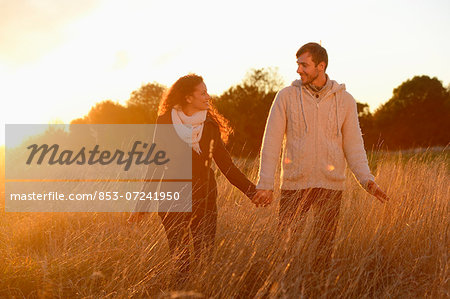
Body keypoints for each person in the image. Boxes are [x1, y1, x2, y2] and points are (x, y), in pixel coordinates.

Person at [253, 42, 389, 269]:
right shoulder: (286, 97)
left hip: (330, 187)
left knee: (324, 253)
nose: (299, 70)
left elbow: (354, 146)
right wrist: (266, 183)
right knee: (284, 251)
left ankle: (318, 289)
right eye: (297, 65)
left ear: (321, 66)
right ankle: (285, 290)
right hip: (295, 186)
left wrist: (367, 180)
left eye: (304, 65)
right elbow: (271, 142)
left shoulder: (345, 100)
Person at [128, 74, 257, 283]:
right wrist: (142, 205)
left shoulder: (209, 126)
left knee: (204, 259)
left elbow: (227, 166)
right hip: (172, 202)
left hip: (204, 200)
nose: (208, 97)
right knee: (181, 263)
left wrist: (253, 192)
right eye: (203, 93)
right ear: (188, 98)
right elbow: (155, 167)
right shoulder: (164, 123)